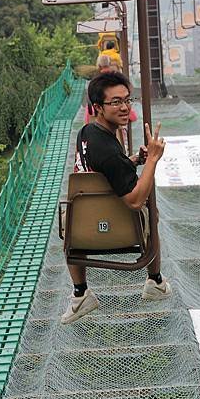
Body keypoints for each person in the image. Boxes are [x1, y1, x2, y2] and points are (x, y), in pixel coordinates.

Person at [61, 71, 171, 324]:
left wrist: (132, 161)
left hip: (79, 227)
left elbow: (105, 172)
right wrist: (153, 159)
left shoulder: (86, 133)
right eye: (116, 102)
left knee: (70, 214)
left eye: (127, 100)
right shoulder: (109, 150)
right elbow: (133, 200)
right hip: (116, 227)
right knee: (151, 212)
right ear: (98, 107)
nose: (124, 108)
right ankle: (154, 280)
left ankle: (80, 291)